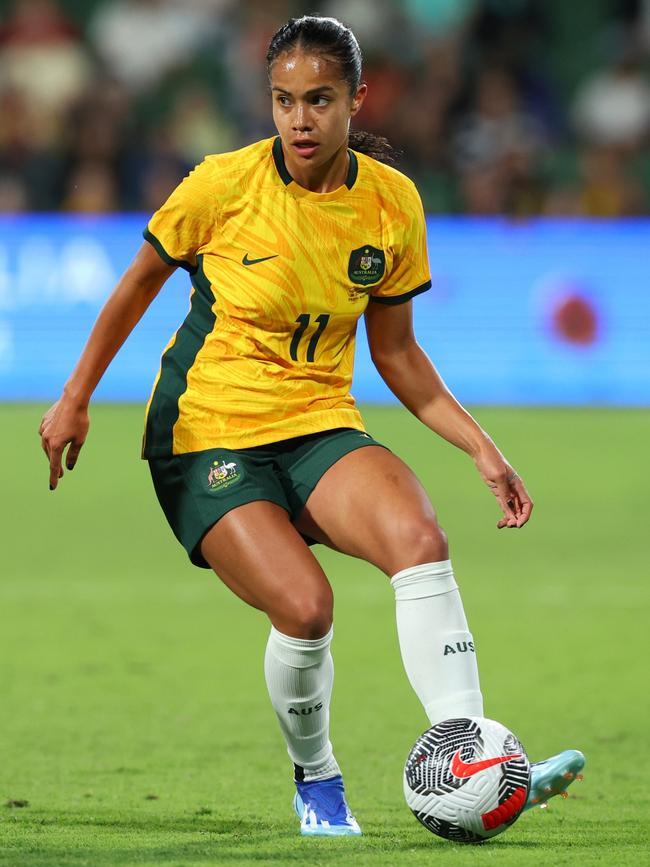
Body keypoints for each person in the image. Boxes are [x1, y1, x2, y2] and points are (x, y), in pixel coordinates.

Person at [39, 15, 584, 838]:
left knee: (419, 536)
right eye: (284, 100)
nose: (299, 119)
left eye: (319, 100)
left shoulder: (391, 202)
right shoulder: (222, 185)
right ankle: (317, 775)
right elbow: (136, 283)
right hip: (205, 431)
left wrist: (482, 445)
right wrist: (75, 394)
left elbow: (396, 354)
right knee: (305, 608)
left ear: (355, 101)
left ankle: (474, 756)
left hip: (318, 421)